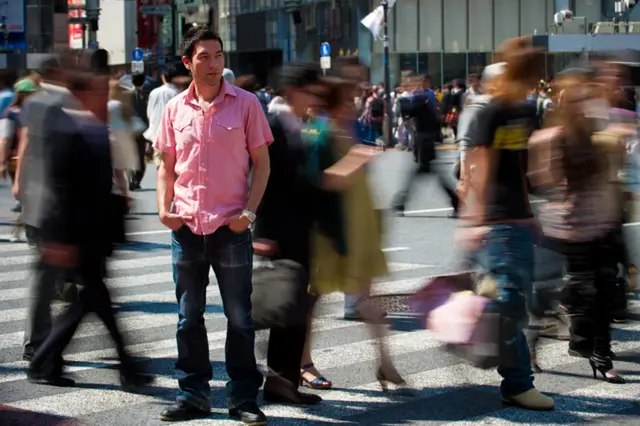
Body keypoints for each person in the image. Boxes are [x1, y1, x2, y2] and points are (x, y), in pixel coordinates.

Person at [154, 27, 272, 424]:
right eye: (204, 56)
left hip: (230, 227)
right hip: (186, 226)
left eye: (218, 55)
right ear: (188, 63)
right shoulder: (174, 109)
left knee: (240, 319)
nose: (213, 63)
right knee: (189, 316)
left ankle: (243, 399)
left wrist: (249, 214)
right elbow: (165, 166)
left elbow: (263, 164)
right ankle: (193, 395)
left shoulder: (246, 104)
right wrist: (162, 209)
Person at [254, 62, 326, 405]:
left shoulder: (299, 124)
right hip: (280, 233)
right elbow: (260, 181)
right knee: (287, 308)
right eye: (312, 90)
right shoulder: (272, 126)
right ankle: (276, 381)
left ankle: (283, 383)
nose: (316, 97)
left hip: (300, 232)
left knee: (295, 310)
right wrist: (261, 231)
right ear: (296, 90)